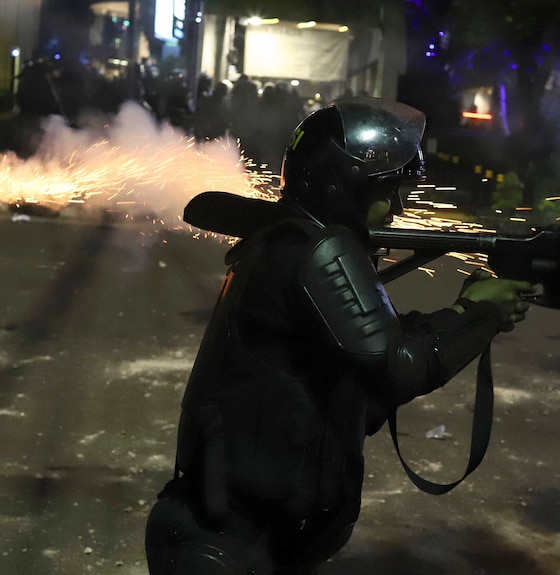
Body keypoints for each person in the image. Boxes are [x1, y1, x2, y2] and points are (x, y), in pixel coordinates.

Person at [144, 97, 533, 575]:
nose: (398, 208)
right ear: (347, 186)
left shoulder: (291, 238)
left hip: (249, 538)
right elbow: (399, 365)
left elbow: (360, 365)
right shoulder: (319, 250)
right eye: (389, 192)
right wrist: (479, 312)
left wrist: (466, 313)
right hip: (227, 546)